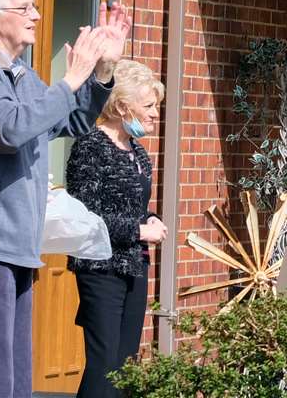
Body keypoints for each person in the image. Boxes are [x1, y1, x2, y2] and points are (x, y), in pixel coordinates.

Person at [0, 0, 127, 398]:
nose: (37, 15)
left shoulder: (19, 73)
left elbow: (70, 118)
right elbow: (10, 130)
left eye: (35, 6)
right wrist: (71, 77)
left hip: (16, 241)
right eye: (24, 8)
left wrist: (102, 69)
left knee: (18, 380)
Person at [65, 60, 166, 398]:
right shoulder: (90, 146)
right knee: (105, 364)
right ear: (123, 106)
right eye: (149, 106)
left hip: (134, 266)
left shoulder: (137, 150)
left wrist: (148, 218)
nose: (155, 113)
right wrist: (139, 232)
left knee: (125, 366)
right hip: (101, 269)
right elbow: (88, 218)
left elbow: (128, 207)